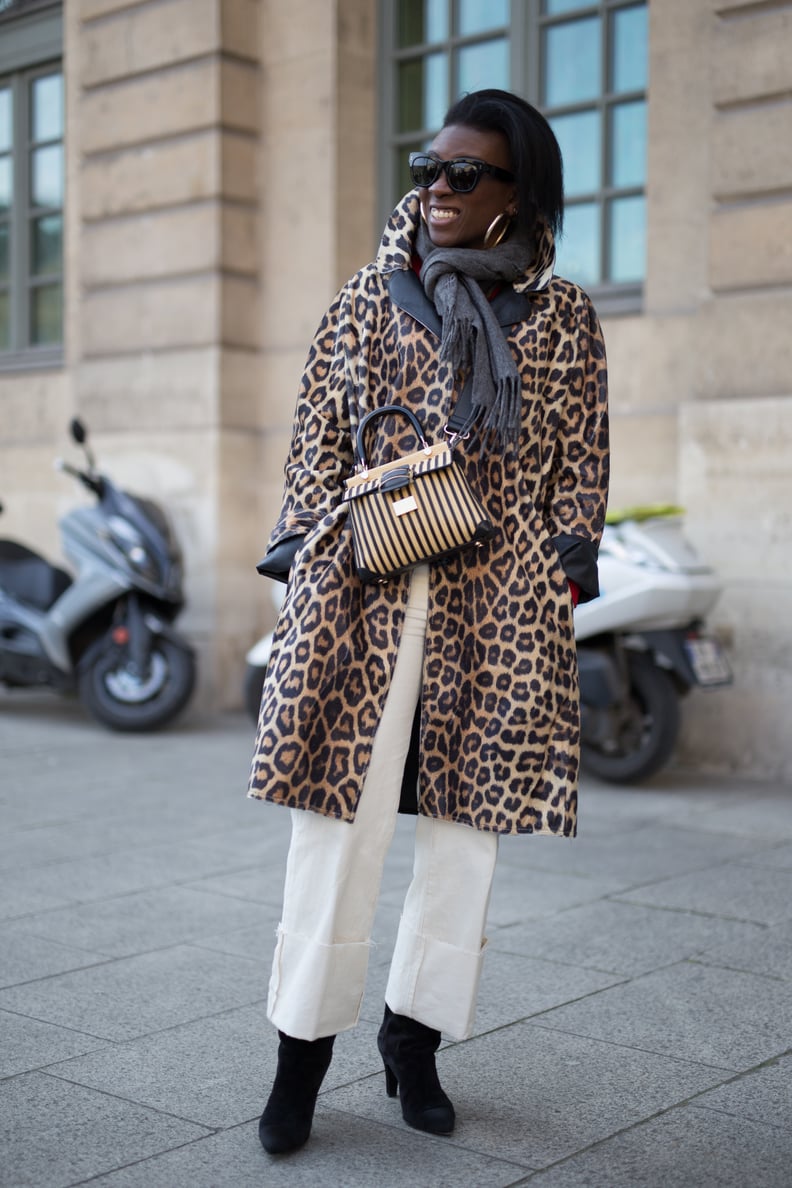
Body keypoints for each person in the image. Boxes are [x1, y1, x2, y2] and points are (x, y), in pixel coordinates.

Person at [248, 87, 609, 1155]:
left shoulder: (564, 315)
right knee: (334, 839)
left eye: (463, 174)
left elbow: (580, 464)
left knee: (463, 848)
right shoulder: (369, 295)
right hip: (362, 596)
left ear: (518, 194)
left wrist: (556, 577)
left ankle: (414, 1044)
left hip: (496, 606)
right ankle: (298, 1059)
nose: (436, 190)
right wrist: (313, 549)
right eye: (426, 169)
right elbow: (316, 432)